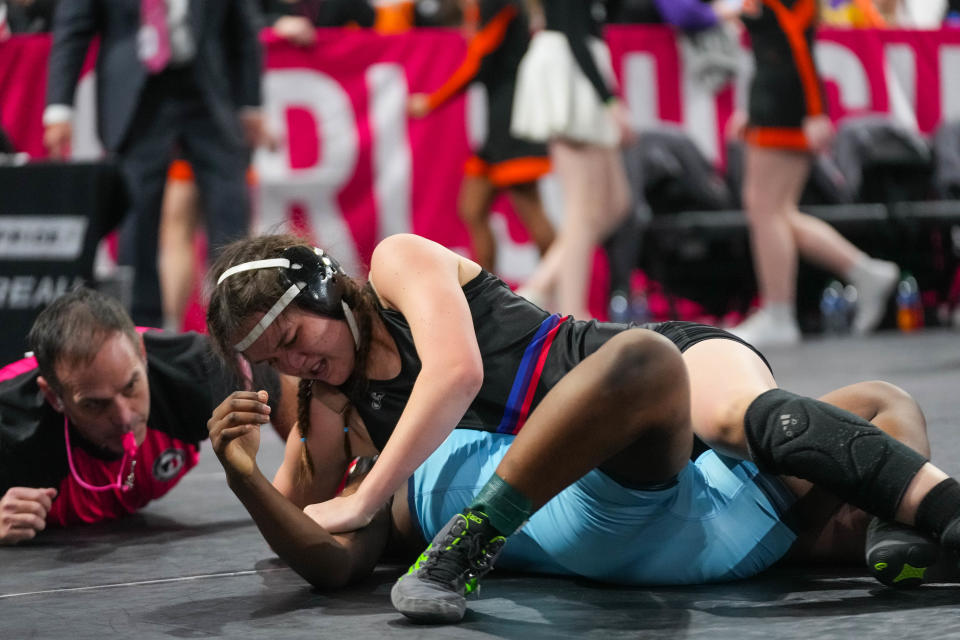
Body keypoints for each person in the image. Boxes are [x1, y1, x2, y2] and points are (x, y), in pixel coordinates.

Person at [205, 232, 960, 622]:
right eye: (274, 361)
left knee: (744, 416)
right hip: (618, 468)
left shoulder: (398, 265)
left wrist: (369, 497)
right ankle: (904, 528)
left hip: (642, 374)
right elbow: (308, 517)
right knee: (875, 403)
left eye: (294, 338)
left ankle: (920, 523)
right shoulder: (330, 401)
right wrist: (244, 471)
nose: (296, 364)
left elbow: (457, 374)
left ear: (326, 288)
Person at [208, 379, 957, 593]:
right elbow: (330, 562)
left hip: (670, 500)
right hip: (634, 519)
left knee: (881, 404)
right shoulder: (381, 492)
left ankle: (899, 533)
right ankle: (908, 525)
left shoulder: (450, 413)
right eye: (336, 409)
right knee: (648, 364)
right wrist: (245, 479)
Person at [0, 288, 295, 545]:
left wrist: (311, 492)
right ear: (54, 397)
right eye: (95, 405)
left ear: (142, 354)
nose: (125, 417)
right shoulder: (11, 429)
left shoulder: (194, 371)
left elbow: (284, 390)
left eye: (131, 387)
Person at [43, 0, 267, 327]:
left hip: (208, 89)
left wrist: (250, 104)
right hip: (136, 94)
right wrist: (59, 109)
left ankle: (240, 326)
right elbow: (72, 30)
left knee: (230, 211)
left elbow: (243, 28)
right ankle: (143, 332)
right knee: (136, 220)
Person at [726, 0, 900, 347]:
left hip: (786, 107)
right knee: (778, 213)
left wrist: (816, 110)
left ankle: (779, 312)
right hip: (774, 101)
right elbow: (775, 43)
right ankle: (865, 272)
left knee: (765, 209)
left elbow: (797, 44)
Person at [407, 0, 555, 273]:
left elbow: (478, 62)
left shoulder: (499, 4)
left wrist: (430, 102)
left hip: (515, 129)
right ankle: (489, 294)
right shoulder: (487, 7)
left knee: (534, 217)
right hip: (498, 131)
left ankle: (561, 288)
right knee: (472, 208)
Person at [509, 0, 634, 319]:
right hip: (570, 67)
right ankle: (572, 313)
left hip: (582, 62)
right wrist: (609, 101)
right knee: (583, 211)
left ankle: (539, 286)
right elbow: (574, 32)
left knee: (615, 202)